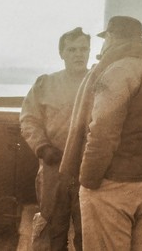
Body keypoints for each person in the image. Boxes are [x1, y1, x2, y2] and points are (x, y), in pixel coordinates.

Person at [60, 16, 142, 250]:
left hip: (111, 188)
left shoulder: (117, 71)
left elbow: (102, 135)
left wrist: (88, 181)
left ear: (111, 37)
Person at [20, 27, 90, 251]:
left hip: (88, 172)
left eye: (83, 49)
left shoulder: (99, 84)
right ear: (62, 53)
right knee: (52, 232)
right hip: (53, 170)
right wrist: (42, 147)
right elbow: (29, 119)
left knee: (87, 233)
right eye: (72, 49)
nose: (79, 54)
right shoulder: (45, 84)